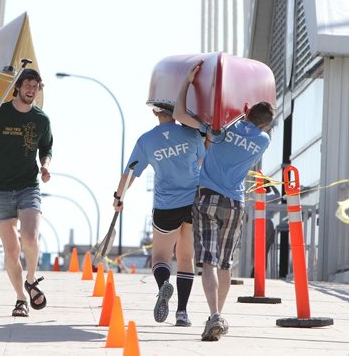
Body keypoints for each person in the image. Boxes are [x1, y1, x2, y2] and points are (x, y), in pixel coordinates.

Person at [173, 62, 274, 341]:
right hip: (235, 202)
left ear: (245, 111)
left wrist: (188, 82)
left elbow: (180, 113)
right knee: (226, 264)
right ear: (264, 123)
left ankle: (214, 314)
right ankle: (217, 317)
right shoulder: (263, 141)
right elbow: (252, 127)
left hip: (207, 197)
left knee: (208, 262)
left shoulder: (222, 130)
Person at [113, 105, 205, 326]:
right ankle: (182, 313)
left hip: (166, 206)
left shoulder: (146, 141)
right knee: (186, 258)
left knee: (161, 258)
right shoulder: (192, 133)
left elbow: (130, 172)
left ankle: (164, 284)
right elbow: (202, 162)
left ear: (154, 112)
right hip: (193, 202)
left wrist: (119, 197)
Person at [0, 68, 52, 317]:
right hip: (0, 189)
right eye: (27, 84)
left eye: (35, 86)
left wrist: (45, 167)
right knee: (12, 250)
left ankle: (30, 279)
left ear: (38, 90)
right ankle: (20, 299)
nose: (31, 90)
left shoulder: (41, 119)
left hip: (28, 186)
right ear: (18, 87)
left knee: (29, 237)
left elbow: (46, 149)